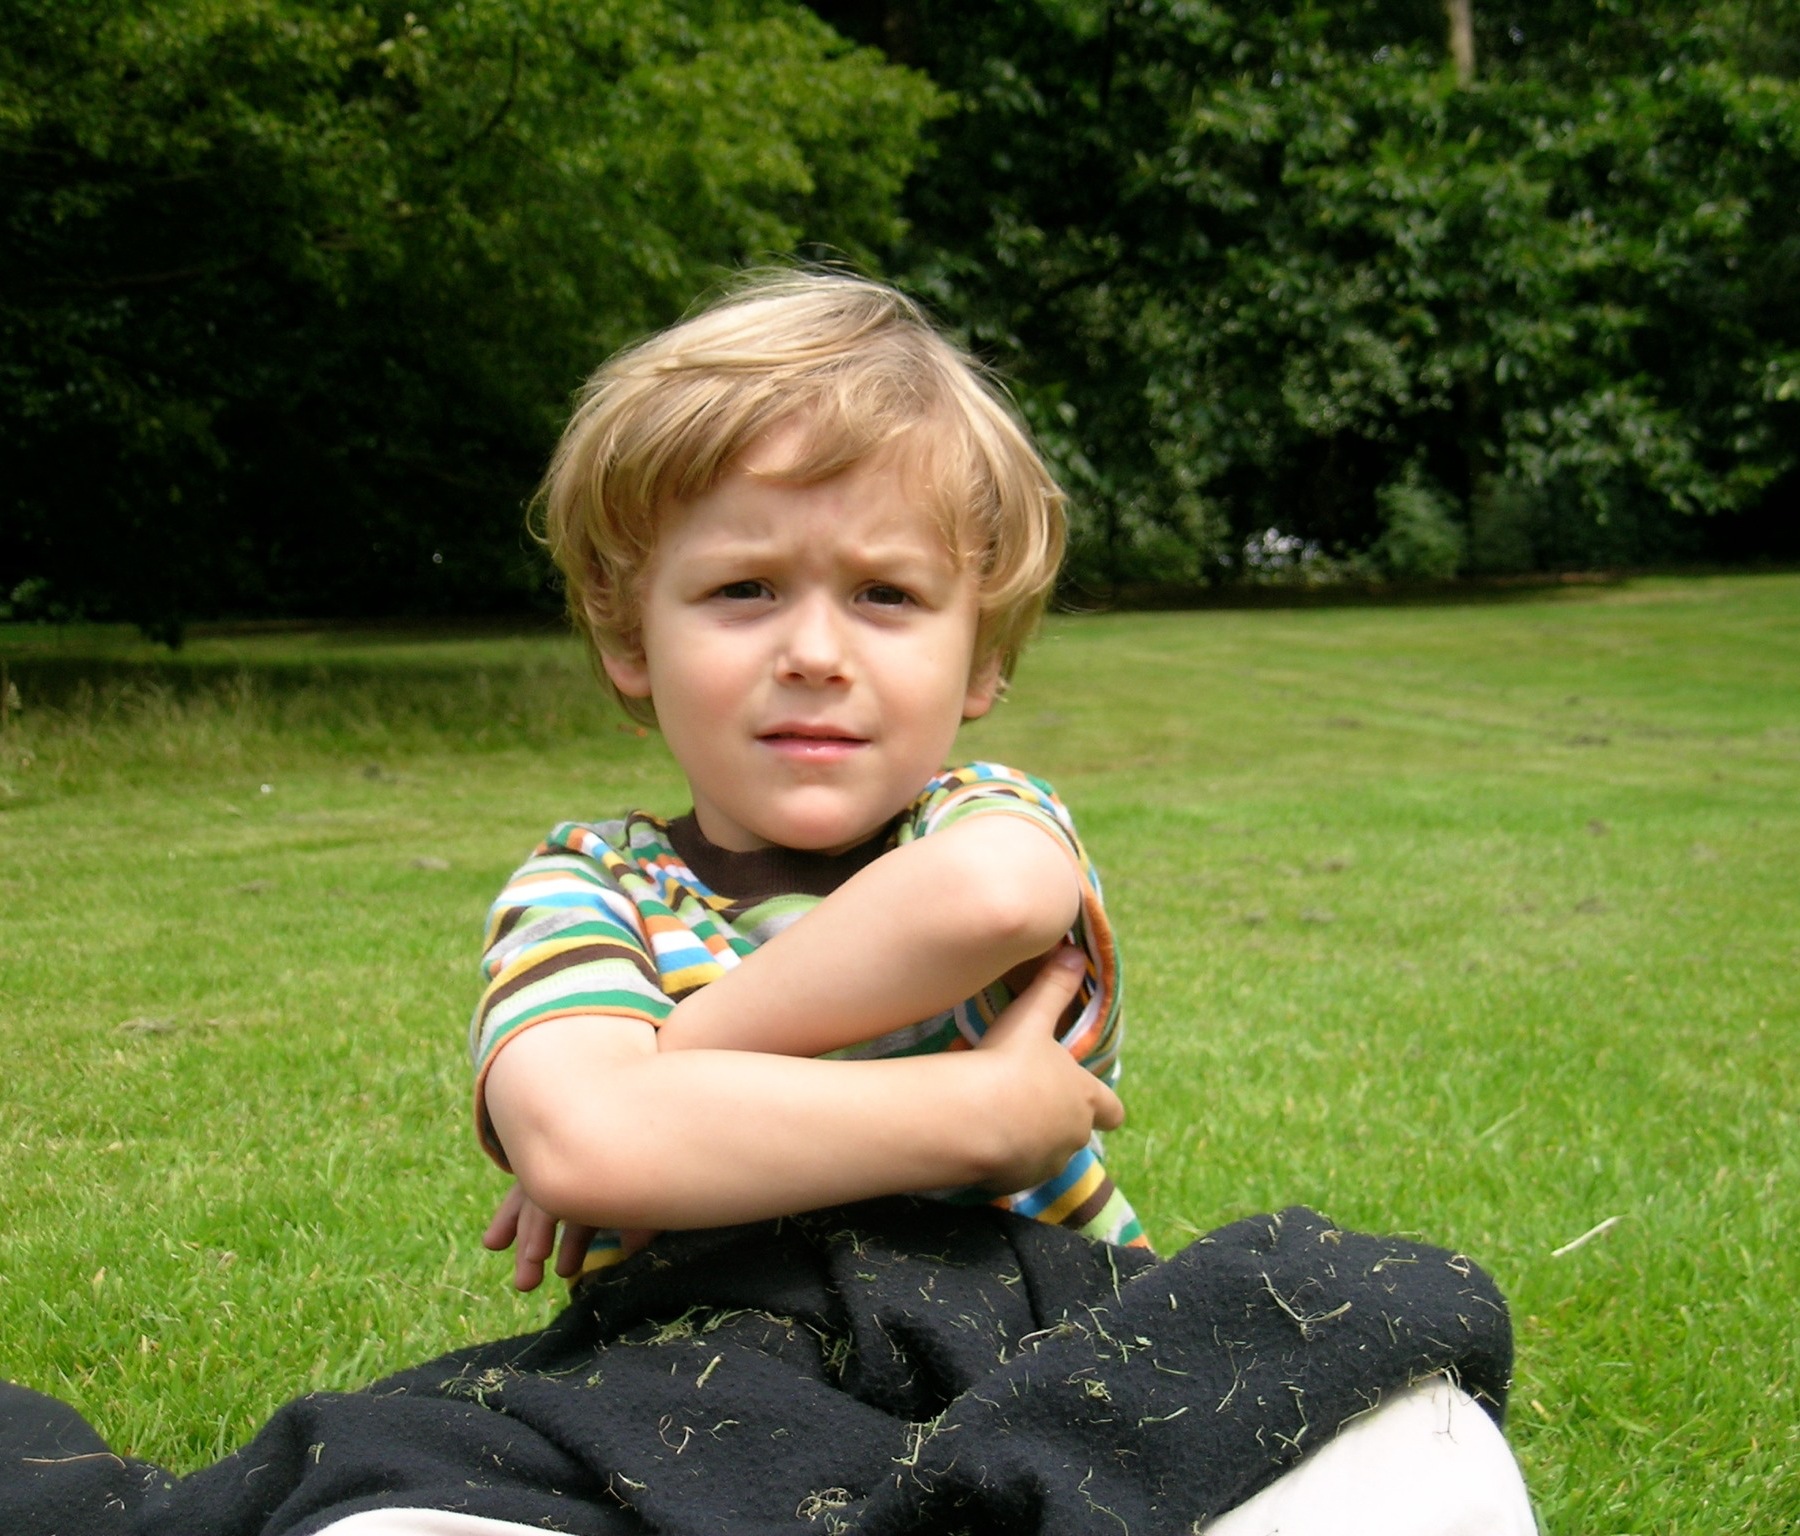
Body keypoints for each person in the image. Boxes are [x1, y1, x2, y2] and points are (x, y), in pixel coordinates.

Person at [460, 270, 1536, 1535]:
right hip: (704, 1369)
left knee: (1390, 1382)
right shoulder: (587, 884)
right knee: (410, 1490)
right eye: (743, 589)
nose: (814, 651)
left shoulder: (977, 817)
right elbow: (583, 1146)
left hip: (1032, 1337)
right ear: (630, 638)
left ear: (980, 657)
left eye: (886, 596)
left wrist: (662, 1075)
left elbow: (988, 899)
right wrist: (974, 1116)